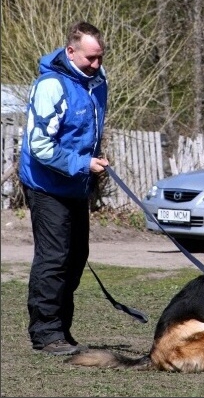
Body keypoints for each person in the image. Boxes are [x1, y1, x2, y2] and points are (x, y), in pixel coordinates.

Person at [19, 21, 109, 356]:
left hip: (76, 184)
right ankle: (45, 334)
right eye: (90, 58)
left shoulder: (97, 82)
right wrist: (83, 163)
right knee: (53, 257)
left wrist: (93, 160)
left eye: (100, 57)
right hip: (45, 184)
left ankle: (62, 330)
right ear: (70, 51)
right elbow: (40, 146)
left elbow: (87, 131)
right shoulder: (51, 86)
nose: (96, 65)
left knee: (76, 257)